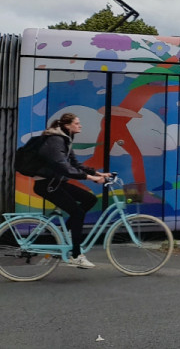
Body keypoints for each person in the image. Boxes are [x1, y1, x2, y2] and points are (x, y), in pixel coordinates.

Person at [34, 113, 109, 268]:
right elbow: (64, 168)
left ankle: (65, 230)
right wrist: (90, 178)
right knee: (77, 213)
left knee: (90, 199)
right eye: (77, 123)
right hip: (47, 185)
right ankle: (76, 255)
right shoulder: (56, 140)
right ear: (67, 125)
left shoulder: (65, 139)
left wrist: (98, 174)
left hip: (56, 183)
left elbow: (75, 164)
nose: (80, 126)